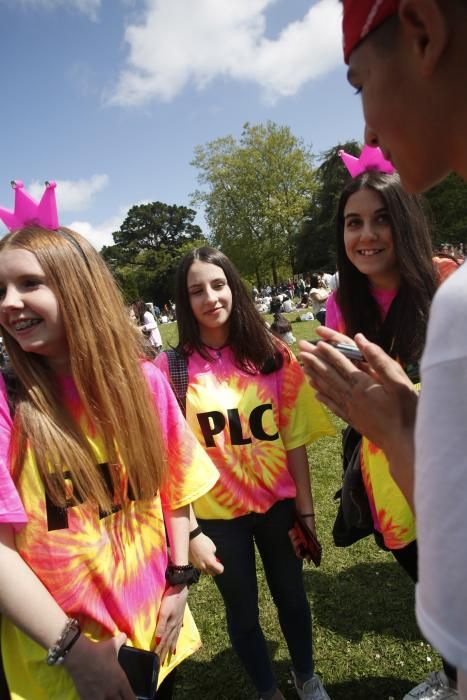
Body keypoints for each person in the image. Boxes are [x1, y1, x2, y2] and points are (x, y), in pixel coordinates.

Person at [299, 2, 467, 698]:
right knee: (425, 574)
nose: (364, 237)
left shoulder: (450, 289)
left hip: (441, 476)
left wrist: (404, 415)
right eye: (351, 224)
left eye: (377, 221)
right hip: (384, 477)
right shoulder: (341, 307)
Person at [0, 182, 218, 700]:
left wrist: (180, 581)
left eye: (30, 283)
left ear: (80, 287)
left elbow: (174, 493)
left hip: (152, 633)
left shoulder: (144, 384)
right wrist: (74, 652)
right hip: (61, 669)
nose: (10, 303)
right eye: (0, 290)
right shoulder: (7, 403)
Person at [156, 246, 335, 700]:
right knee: (243, 613)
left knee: (293, 599)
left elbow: (292, 441)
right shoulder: (169, 370)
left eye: (218, 284)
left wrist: (307, 514)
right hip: (216, 520)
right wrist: (191, 532)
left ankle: (306, 677)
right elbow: (167, 460)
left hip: (278, 509)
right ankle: (267, 691)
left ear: (234, 286)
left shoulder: (274, 356)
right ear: (184, 300)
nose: (210, 297)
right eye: (196, 290)